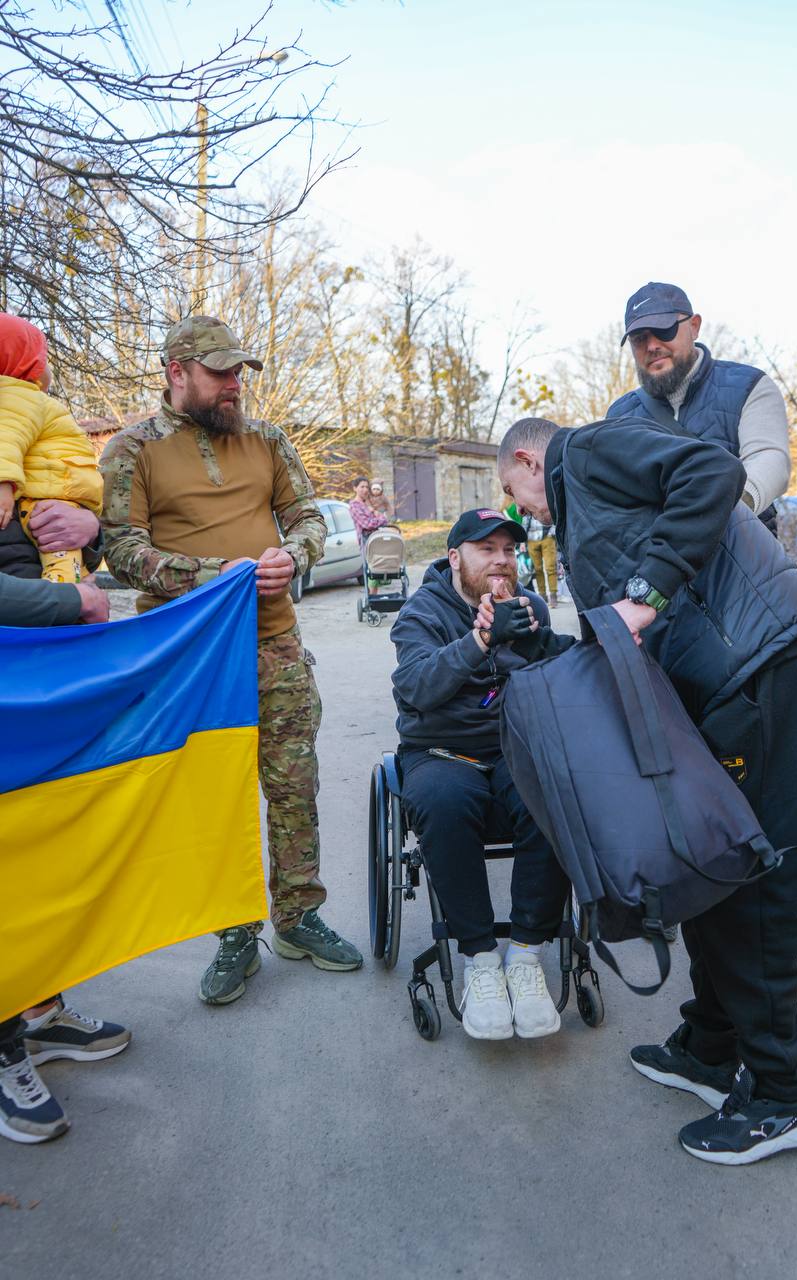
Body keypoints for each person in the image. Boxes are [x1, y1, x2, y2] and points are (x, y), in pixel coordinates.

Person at [497, 415, 797, 1165]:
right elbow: (615, 642)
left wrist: (647, 591)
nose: (523, 510)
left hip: (758, 663)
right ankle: (711, 1046)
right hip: (741, 673)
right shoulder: (587, 504)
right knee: (703, 858)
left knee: (742, 872)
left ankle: (784, 1093)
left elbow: (713, 474)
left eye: (513, 491)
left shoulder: (584, 450)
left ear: (526, 458)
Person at [99, 315, 362, 1006]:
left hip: (273, 642)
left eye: (238, 372)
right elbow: (121, 551)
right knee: (212, 799)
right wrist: (207, 576)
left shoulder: (265, 439)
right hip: (188, 658)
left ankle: (299, 918)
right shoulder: (133, 450)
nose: (233, 385)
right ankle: (234, 931)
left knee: (292, 785)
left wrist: (293, 557)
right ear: (175, 373)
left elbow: (307, 517)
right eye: (218, 373)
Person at [390, 508, 575, 1040]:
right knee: (443, 803)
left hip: (516, 747)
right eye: (486, 549)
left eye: (509, 550)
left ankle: (524, 955)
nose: (502, 560)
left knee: (558, 790)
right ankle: (479, 961)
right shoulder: (422, 612)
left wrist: (555, 646)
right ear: (455, 558)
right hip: (442, 751)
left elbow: (560, 677)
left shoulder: (528, 605)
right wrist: (480, 642)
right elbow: (417, 687)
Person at [0, 571, 131, 1146]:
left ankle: (38, 1011)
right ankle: (5, 1048)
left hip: (31, 658)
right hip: (26, 637)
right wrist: (70, 598)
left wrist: (88, 535)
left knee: (38, 856)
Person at [608, 282, 790, 529]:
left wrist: (719, 514)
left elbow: (769, 460)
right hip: (653, 561)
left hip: (740, 554)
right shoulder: (619, 416)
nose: (652, 345)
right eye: (639, 338)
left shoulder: (750, 386)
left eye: (664, 330)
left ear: (694, 326)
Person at [0, 313, 103, 581]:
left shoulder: (18, 396)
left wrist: (93, 531)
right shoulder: (16, 396)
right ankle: (70, 595)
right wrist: (3, 484)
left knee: (64, 555)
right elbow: (4, 440)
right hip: (47, 496)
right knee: (63, 567)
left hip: (50, 497)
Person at [520, 513, 558, 606]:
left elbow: (553, 515)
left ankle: (553, 595)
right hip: (531, 539)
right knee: (537, 569)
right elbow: (525, 521)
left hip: (547, 537)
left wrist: (552, 532)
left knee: (550, 567)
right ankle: (542, 596)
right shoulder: (527, 501)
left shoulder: (543, 499)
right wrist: (522, 541)